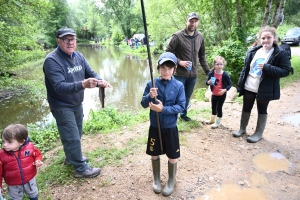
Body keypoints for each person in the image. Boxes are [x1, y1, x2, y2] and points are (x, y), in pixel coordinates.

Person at [43, 27, 110, 178]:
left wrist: (100, 81)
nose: (70, 42)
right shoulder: (52, 61)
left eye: (72, 39)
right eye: (66, 39)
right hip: (61, 105)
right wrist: (83, 84)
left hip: (76, 102)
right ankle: (81, 168)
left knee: (76, 133)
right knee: (72, 136)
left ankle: (71, 157)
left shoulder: (79, 56)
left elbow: (91, 73)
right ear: (58, 41)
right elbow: (59, 87)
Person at [233, 26, 291, 143]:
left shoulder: (280, 53)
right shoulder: (253, 51)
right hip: (250, 85)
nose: (265, 40)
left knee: (262, 109)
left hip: (265, 87)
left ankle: (258, 133)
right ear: (260, 39)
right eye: (263, 38)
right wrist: (241, 84)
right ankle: (242, 129)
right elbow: (246, 69)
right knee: (246, 107)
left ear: (274, 38)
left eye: (268, 38)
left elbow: (285, 71)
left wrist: (267, 67)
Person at [141, 52, 185, 196]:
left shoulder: (179, 86)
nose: (166, 71)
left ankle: (171, 180)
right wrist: (149, 96)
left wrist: (163, 109)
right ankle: (157, 179)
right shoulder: (151, 84)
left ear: (175, 69)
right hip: (155, 126)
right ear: (158, 68)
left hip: (170, 127)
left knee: (173, 155)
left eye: (170, 68)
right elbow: (143, 103)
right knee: (154, 154)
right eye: (163, 67)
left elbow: (181, 107)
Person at [166, 12, 210, 121]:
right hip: (179, 74)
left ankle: (183, 115)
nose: (193, 23)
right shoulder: (177, 36)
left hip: (193, 74)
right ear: (187, 21)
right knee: (175, 96)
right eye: (191, 21)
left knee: (186, 97)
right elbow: (167, 53)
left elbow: (202, 56)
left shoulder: (200, 37)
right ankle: (173, 116)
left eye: (195, 21)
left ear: (198, 23)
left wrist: (208, 73)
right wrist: (179, 62)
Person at [0, 124, 43, 200]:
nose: (4, 145)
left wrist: (38, 160)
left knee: (33, 194)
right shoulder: (1, 155)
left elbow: (37, 154)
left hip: (30, 180)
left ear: (21, 142)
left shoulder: (30, 147)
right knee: (15, 198)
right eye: (3, 141)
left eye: (9, 142)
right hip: (13, 184)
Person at [205, 56, 232, 128]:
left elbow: (230, 84)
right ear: (214, 65)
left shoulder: (225, 74)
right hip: (214, 94)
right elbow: (207, 82)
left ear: (223, 65)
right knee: (213, 107)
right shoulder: (211, 73)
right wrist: (208, 82)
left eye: (221, 64)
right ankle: (212, 120)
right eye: (217, 64)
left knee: (219, 108)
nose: (219, 66)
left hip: (221, 95)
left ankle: (217, 122)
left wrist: (225, 90)